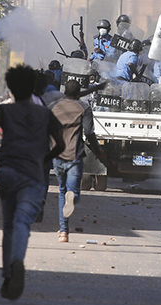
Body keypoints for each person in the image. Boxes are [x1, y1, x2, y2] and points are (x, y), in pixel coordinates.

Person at [0, 64, 65, 300]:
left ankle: (8, 276)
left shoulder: (4, 110)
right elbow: (61, 145)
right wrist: (43, 158)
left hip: (7, 173)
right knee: (22, 222)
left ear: (11, 88)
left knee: (8, 226)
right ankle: (17, 261)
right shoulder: (45, 114)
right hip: (32, 176)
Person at [49, 80, 106, 242]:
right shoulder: (84, 108)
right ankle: (73, 198)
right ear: (79, 93)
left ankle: (63, 232)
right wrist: (98, 152)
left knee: (62, 191)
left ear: (64, 92)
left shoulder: (54, 107)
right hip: (74, 155)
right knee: (72, 193)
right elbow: (88, 132)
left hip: (57, 155)